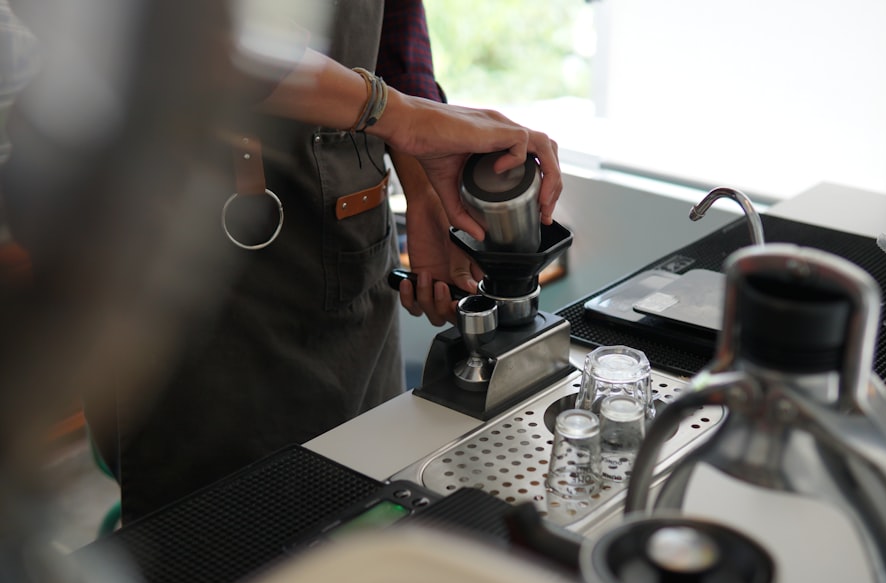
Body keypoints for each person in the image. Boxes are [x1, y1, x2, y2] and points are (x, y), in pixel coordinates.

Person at [1, 0, 561, 523]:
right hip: (208, 250)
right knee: (226, 543)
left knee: (369, 502)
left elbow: (394, 23)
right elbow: (211, 41)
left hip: (351, 229)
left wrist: (423, 182)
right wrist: (402, 116)